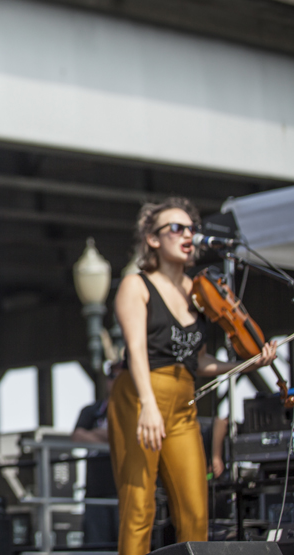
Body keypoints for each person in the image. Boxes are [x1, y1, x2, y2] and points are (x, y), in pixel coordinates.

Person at [108, 197, 277, 554]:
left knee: (195, 508)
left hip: (184, 399)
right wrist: (149, 406)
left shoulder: (198, 292)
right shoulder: (135, 286)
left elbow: (198, 362)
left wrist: (246, 365)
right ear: (152, 239)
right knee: (139, 507)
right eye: (176, 228)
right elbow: (136, 351)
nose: (188, 235)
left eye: (191, 229)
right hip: (140, 395)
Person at [70, 363, 120, 547]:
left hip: (125, 492)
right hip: (95, 493)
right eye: (113, 377)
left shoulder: (137, 410)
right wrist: (111, 437)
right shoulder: (91, 410)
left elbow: (128, 437)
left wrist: (96, 434)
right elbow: (77, 437)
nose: (116, 382)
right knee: (96, 547)